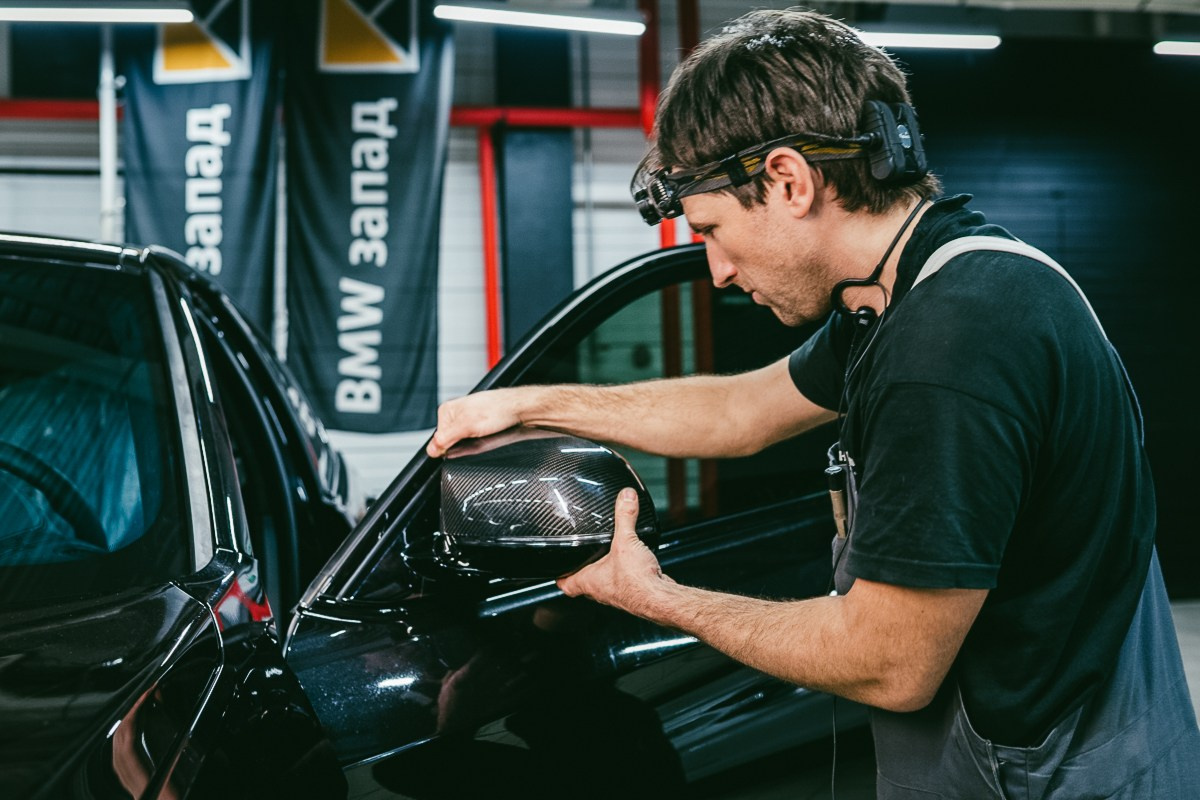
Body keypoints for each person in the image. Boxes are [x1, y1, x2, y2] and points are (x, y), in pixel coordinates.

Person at [426, 9, 1200, 798]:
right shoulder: (926, 282)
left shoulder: (949, 345)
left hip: (1055, 779)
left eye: (715, 230)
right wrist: (531, 406)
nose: (719, 270)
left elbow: (891, 662)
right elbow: (741, 412)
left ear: (789, 181)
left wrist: (651, 596)